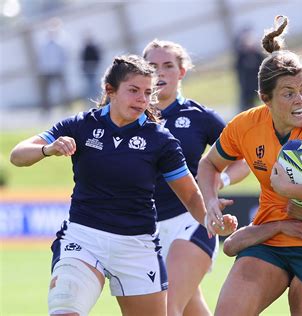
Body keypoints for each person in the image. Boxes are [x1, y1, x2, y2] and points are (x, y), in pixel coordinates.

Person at [9, 54, 237, 316]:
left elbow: (190, 196)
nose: (142, 99)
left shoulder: (161, 140)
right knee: (64, 309)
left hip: (136, 245)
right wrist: (48, 149)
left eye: (148, 92)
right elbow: (18, 155)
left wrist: (211, 219)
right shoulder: (81, 125)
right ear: (110, 90)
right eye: (133, 90)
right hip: (84, 238)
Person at [198, 16, 302, 315]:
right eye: (289, 93)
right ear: (266, 99)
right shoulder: (245, 125)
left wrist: (290, 188)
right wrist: (210, 202)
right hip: (271, 237)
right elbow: (209, 164)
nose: (301, 100)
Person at [142, 39, 249, 316]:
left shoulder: (200, 117)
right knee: (191, 309)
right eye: (152, 66)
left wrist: (219, 182)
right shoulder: (131, 117)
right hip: (143, 229)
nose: (159, 73)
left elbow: (243, 159)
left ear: (182, 72)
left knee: (165, 307)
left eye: (167, 66)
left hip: (192, 220)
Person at [36, 17, 69, 114]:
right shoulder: (44, 44)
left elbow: (64, 56)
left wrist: (62, 66)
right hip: (46, 70)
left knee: (63, 90)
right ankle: (46, 109)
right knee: (46, 91)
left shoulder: (60, 43)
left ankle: (65, 107)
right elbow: (41, 58)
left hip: (58, 69)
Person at [234, 26, 265, 112]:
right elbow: (239, 73)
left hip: (259, 85)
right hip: (247, 89)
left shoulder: (258, 55)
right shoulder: (241, 56)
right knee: (246, 109)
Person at [80, 32, 102, 102]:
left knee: (94, 84)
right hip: (87, 69)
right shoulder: (85, 48)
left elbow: (97, 57)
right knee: (89, 85)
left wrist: (95, 65)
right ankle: (90, 99)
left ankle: (97, 98)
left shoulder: (93, 47)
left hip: (93, 69)